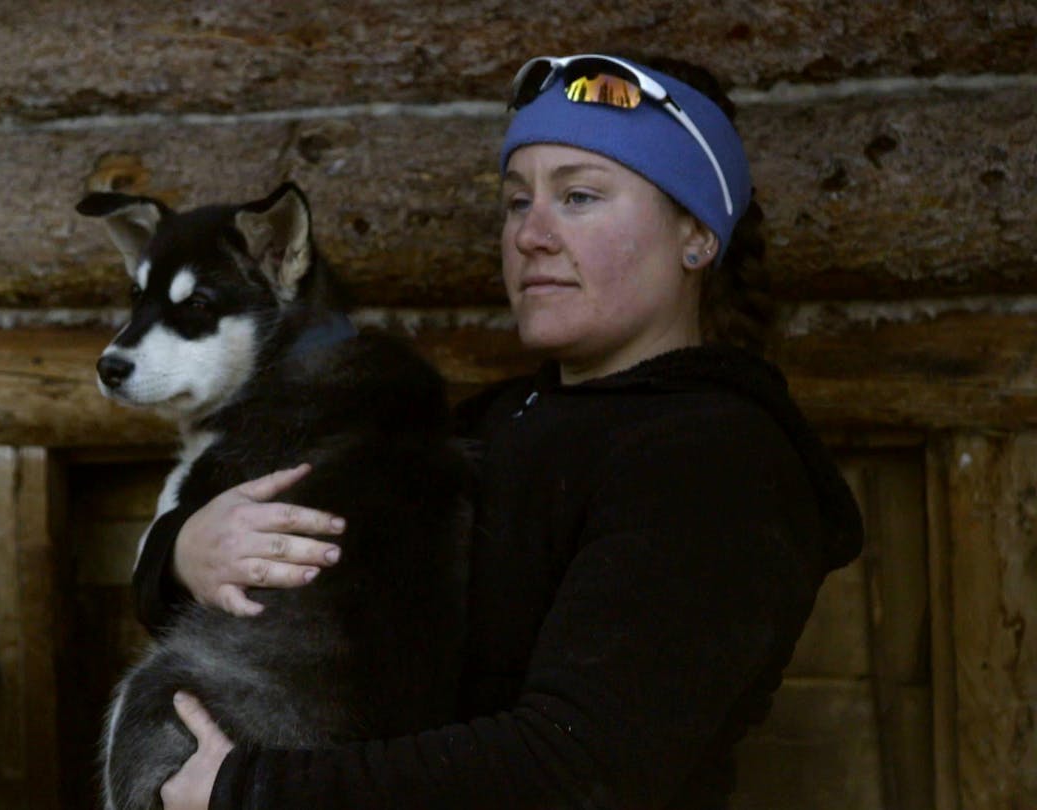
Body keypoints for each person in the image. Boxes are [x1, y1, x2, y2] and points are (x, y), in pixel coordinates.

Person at [135, 53, 865, 809]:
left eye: (579, 196)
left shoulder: (713, 461)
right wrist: (183, 553)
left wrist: (255, 790)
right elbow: (315, 609)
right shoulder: (492, 425)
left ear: (697, 236)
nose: (532, 235)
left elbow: (574, 768)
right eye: (518, 202)